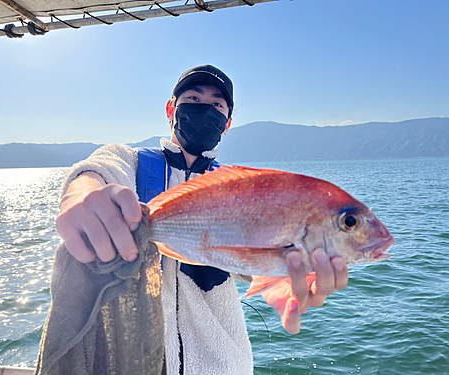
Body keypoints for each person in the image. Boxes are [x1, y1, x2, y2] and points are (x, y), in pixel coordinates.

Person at [56, 65, 349, 374]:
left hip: (221, 363)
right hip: (131, 359)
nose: (205, 108)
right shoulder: (132, 161)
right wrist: (82, 192)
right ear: (171, 108)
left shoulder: (237, 187)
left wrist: (279, 276)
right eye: (193, 97)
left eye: (217, 104)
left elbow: (248, 259)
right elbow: (99, 171)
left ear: (227, 123)